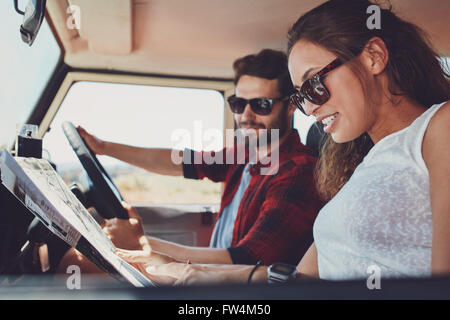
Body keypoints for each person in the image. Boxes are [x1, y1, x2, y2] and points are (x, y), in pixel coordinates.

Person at [119, 0, 450, 285]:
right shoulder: (360, 165)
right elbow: (298, 279)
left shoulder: (439, 127)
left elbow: (441, 287)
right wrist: (186, 274)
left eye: (314, 84)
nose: (308, 107)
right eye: (301, 94)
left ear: (374, 56)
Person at [69, 49, 324, 270]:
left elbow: (248, 260)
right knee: (80, 258)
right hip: (207, 274)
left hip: (235, 291)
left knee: (78, 264)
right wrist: (103, 147)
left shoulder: (298, 171)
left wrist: (142, 244)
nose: (246, 116)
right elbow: (180, 161)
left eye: (261, 104)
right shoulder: (245, 154)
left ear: (291, 106)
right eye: (238, 104)